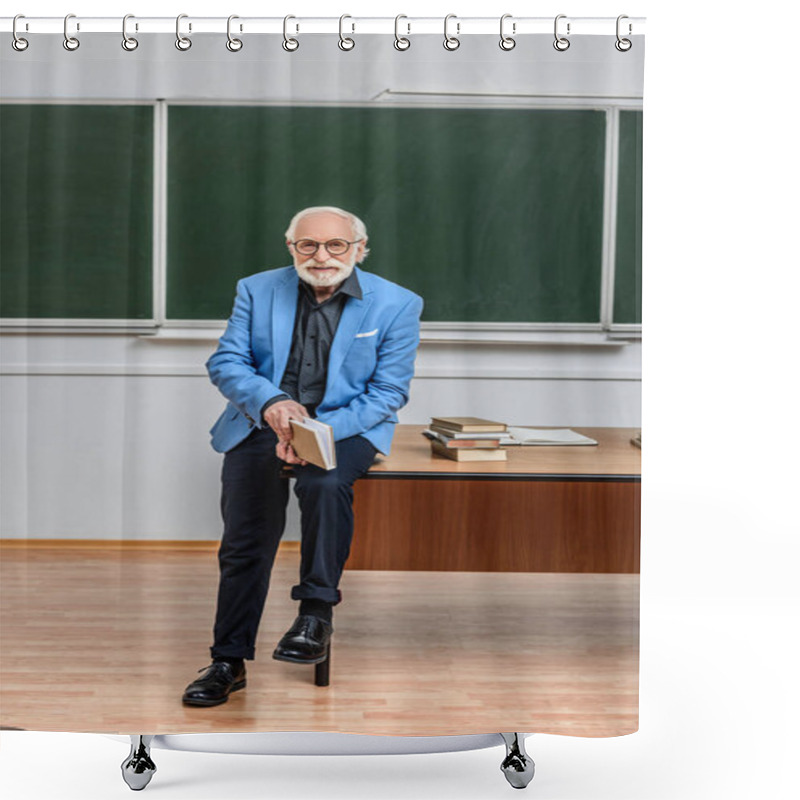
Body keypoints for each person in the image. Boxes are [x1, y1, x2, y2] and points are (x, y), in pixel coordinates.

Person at [182, 206, 423, 706]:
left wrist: (318, 431)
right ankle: (228, 660)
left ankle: (315, 616)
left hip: (346, 423)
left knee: (325, 484)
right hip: (262, 421)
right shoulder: (256, 288)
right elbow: (226, 360)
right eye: (308, 245)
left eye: (336, 245)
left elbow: (387, 393)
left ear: (360, 249)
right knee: (245, 540)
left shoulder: (398, 304)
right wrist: (272, 405)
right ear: (291, 248)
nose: (322, 256)